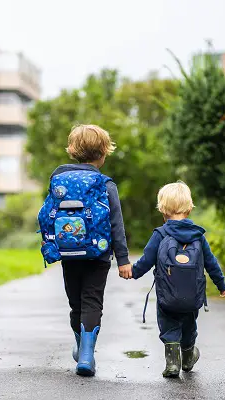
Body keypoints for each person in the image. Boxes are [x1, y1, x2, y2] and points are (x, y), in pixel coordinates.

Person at [46, 124, 132, 377]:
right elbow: (116, 224)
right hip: (99, 254)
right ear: (103, 153)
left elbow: (48, 215)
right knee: (92, 301)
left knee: (75, 303)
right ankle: (86, 355)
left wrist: (49, 243)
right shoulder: (105, 184)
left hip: (68, 253)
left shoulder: (58, 179)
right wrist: (124, 259)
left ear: (72, 150)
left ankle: (81, 345)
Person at [131, 181, 225, 378]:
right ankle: (189, 355)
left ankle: (173, 363)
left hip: (167, 296)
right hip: (193, 296)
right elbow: (211, 263)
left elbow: (146, 260)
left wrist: (132, 272)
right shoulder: (198, 236)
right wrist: (221, 284)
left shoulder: (160, 234)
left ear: (162, 210)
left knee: (168, 323)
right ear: (190, 208)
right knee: (189, 325)